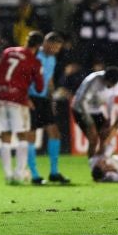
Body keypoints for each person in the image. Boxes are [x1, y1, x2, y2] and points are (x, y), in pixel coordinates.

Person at [0, 31, 44, 184]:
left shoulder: (8, 52)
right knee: (23, 136)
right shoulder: (34, 61)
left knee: (5, 136)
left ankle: (8, 175)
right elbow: (40, 87)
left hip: (1, 97)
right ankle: (19, 173)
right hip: (18, 100)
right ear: (38, 46)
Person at [27, 32, 70, 184]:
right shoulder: (33, 56)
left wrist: (51, 100)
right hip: (31, 98)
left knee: (55, 133)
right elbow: (24, 77)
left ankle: (54, 172)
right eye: (55, 47)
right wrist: (25, 98)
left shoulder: (51, 58)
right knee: (31, 135)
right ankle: (34, 174)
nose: (57, 51)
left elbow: (49, 80)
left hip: (44, 99)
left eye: (59, 48)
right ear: (46, 43)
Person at [71, 66, 118, 158]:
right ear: (105, 79)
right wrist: (90, 123)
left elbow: (111, 100)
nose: (110, 86)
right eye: (109, 84)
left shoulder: (117, 83)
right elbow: (83, 102)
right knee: (93, 139)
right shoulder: (94, 81)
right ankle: (93, 165)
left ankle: (100, 162)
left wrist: (109, 118)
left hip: (96, 110)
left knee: (105, 135)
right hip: (80, 110)